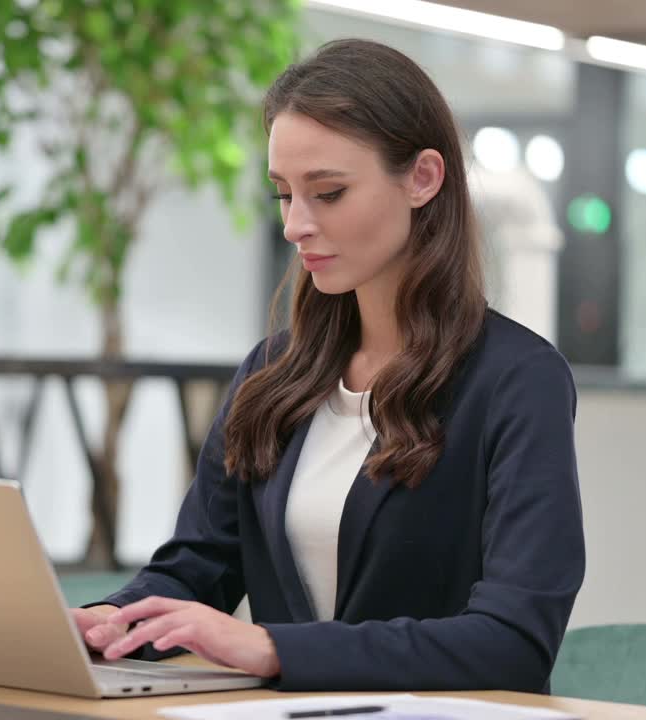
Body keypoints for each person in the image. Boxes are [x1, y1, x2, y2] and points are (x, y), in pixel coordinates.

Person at [71, 38, 585, 693]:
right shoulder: (273, 375)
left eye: (329, 192)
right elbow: (197, 569)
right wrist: (109, 622)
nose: (295, 225)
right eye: (285, 194)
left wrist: (273, 647)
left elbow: (513, 643)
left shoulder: (517, 381)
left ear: (424, 178)